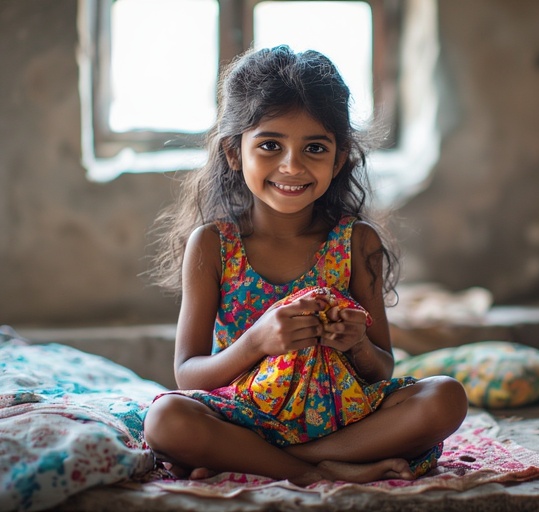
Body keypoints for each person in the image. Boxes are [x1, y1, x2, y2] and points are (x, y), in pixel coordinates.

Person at [142, 45, 468, 486]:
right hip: (244, 415)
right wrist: (256, 342)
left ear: (339, 158)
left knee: (445, 397)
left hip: (343, 416)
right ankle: (324, 469)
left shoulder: (355, 242)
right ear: (235, 154)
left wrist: (355, 346)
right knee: (166, 419)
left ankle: (277, 461)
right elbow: (188, 374)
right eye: (270, 145)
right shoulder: (214, 245)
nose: (292, 166)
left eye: (314, 147)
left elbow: (382, 366)